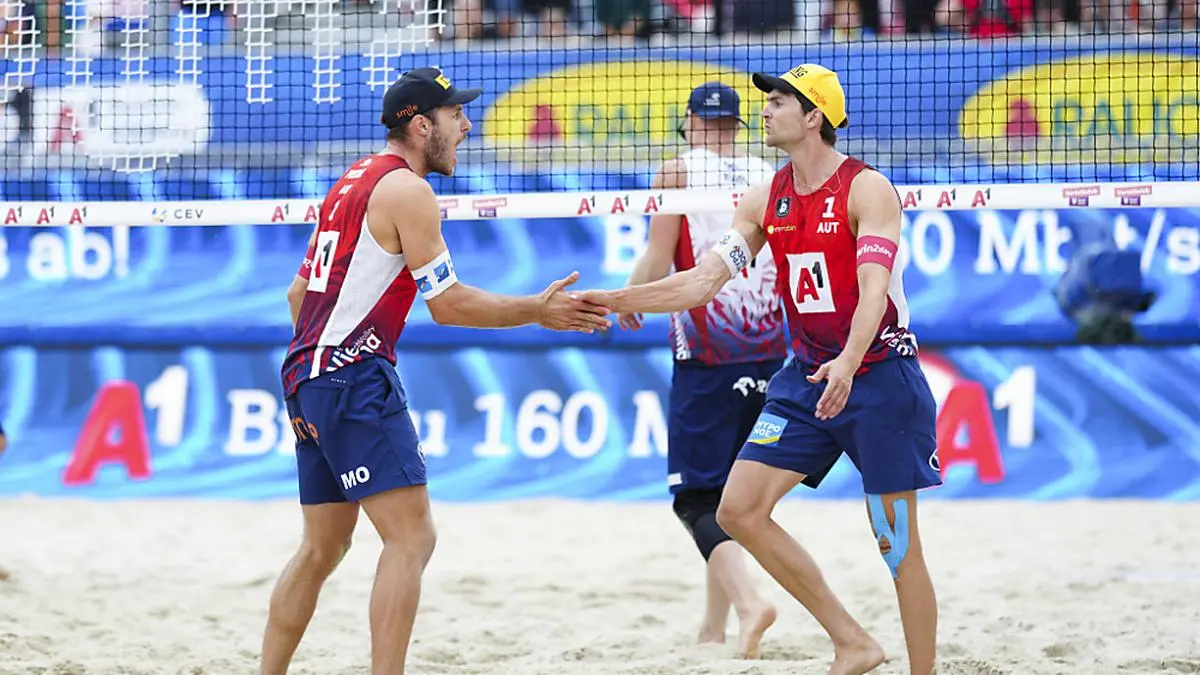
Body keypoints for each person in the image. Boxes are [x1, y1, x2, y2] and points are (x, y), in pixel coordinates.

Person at [574, 64, 941, 675]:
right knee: (736, 509)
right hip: (806, 375)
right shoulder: (765, 197)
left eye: (777, 102)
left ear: (814, 116)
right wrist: (614, 299)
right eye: (766, 102)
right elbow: (701, 282)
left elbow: (874, 290)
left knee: (896, 545)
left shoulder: (867, 188)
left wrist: (849, 363)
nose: (764, 112)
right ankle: (853, 642)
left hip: (877, 374)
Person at [261, 67, 611, 675]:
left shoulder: (351, 181)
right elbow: (447, 306)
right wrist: (539, 310)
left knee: (322, 547)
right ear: (422, 125)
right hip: (350, 376)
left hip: (305, 378)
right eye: (456, 114)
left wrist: (322, 374)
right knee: (411, 538)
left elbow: (298, 296)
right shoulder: (408, 190)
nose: (467, 125)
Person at [617, 81, 783, 658]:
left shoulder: (676, 171)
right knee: (733, 500)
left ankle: (750, 604)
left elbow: (659, 255)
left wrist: (628, 298)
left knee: (696, 499)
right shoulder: (767, 174)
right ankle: (715, 628)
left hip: (708, 355)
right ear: (737, 125)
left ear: (689, 121)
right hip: (769, 352)